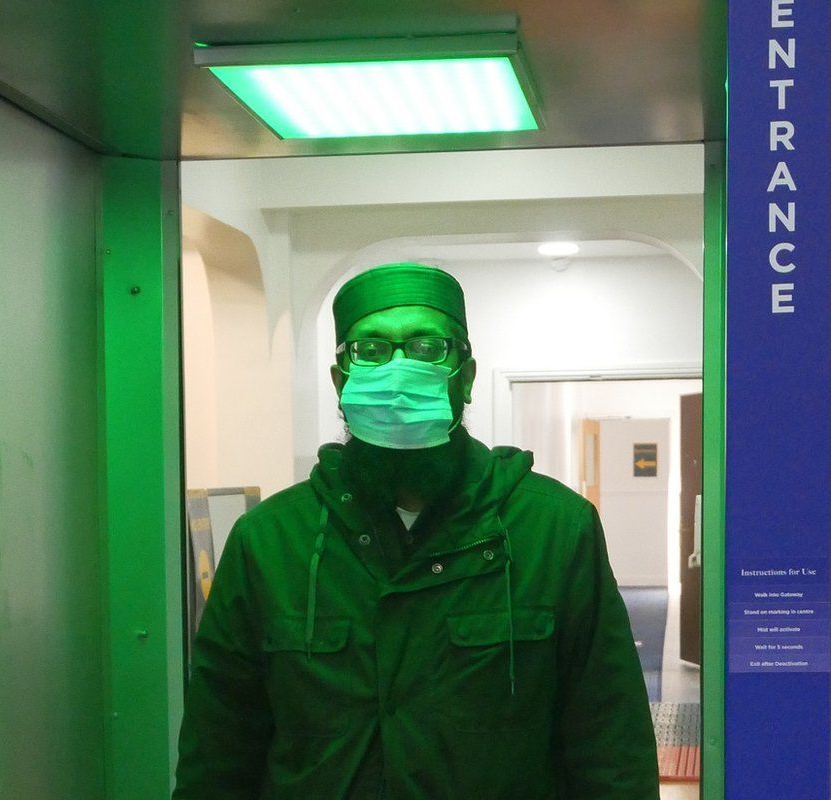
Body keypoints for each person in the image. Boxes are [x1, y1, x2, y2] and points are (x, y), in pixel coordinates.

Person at [173, 262, 659, 799]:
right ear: (340, 381)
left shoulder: (554, 531)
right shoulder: (269, 542)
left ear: (467, 376)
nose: (399, 369)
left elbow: (611, 748)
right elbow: (216, 757)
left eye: (429, 347)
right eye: (371, 350)